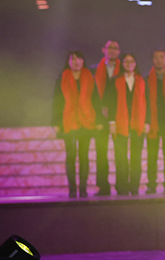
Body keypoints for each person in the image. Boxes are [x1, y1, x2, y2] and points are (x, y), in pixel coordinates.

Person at [52, 50, 101, 197]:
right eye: (73, 59)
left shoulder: (90, 77)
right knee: (71, 155)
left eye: (79, 58)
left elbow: (95, 100)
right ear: (68, 62)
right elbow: (57, 102)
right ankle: (72, 190)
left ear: (83, 61)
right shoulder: (61, 78)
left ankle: (83, 189)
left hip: (86, 121)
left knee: (84, 156)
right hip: (69, 121)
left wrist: (99, 121)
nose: (76, 61)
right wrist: (56, 122)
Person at [110, 53, 147, 196]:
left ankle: (134, 187)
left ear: (135, 64)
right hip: (120, 122)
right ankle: (122, 187)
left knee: (136, 157)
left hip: (138, 122)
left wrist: (147, 122)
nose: (129, 64)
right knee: (121, 157)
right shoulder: (115, 80)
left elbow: (148, 102)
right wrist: (112, 122)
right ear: (122, 63)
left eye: (132, 61)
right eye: (126, 61)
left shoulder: (142, 80)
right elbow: (111, 102)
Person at [92, 39, 121, 195]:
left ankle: (122, 185)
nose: (112, 50)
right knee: (101, 153)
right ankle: (103, 186)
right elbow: (91, 94)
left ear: (119, 52)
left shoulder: (124, 69)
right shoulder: (94, 70)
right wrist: (100, 109)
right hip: (100, 116)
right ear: (103, 49)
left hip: (119, 115)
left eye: (115, 48)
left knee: (120, 152)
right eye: (109, 47)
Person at [145, 49, 165, 194]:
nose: (159, 60)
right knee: (152, 156)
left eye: (162, 57)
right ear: (152, 61)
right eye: (156, 57)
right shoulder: (145, 79)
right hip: (153, 122)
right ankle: (151, 184)